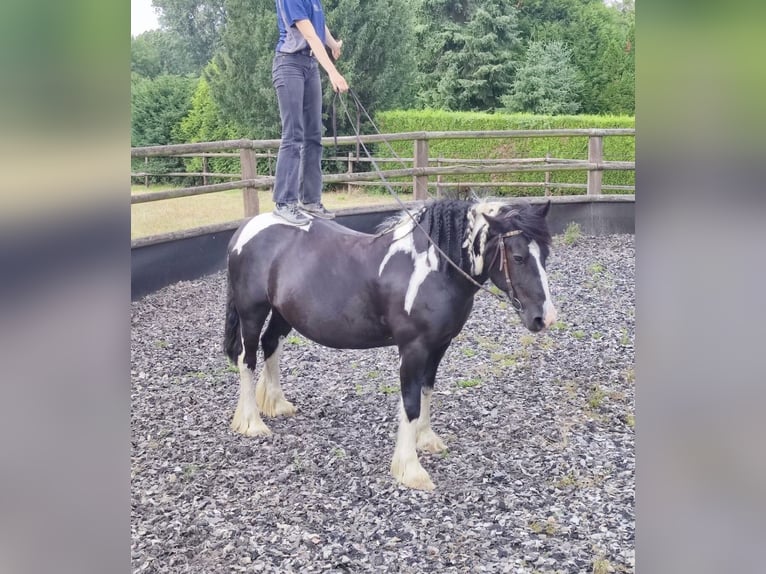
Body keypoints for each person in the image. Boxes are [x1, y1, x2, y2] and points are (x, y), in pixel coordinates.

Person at [271, 0, 349, 225]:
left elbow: (319, 27)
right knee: (293, 135)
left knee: (314, 136)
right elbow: (311, 36)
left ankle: (311, 200)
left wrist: (333, 44)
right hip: (289, 65)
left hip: (309, 65)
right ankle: (284, 202)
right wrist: (333, 73)